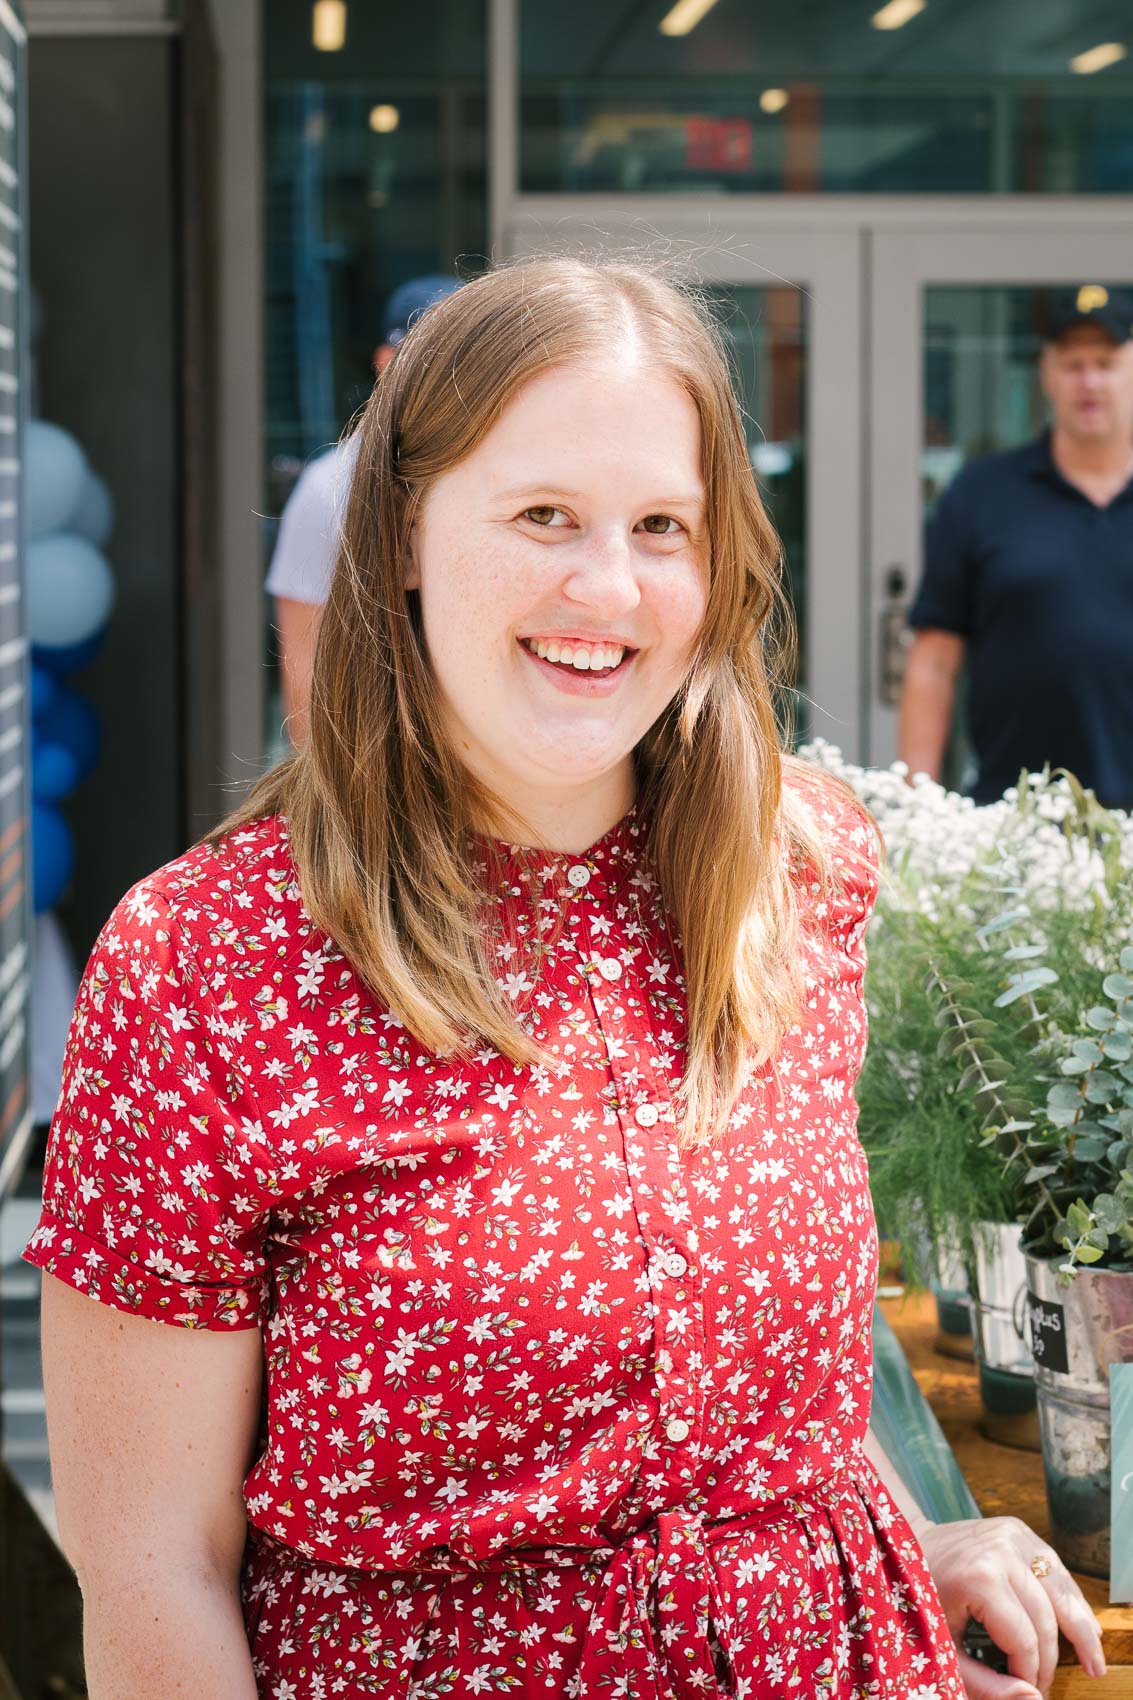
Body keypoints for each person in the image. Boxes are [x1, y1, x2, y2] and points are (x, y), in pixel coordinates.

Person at [27, 259, 1105, 1700]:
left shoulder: (798, 879)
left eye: (662, 525)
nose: (608, 588)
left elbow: (757, 1366)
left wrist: (897, 1547)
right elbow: (157, 1570)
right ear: (401, 534)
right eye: (544, 517)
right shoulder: (202, 968)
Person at [900, 285, 1133, 806]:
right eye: (1072, 364)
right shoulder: (983, 494)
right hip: (1013, 823)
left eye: (1105, 362)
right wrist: (918, 809)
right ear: (1047, 374)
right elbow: (934, 661)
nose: (1089, 381)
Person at [268, 272, 462, 745]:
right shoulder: (331, 486)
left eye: (455, 363)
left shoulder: (496, 478)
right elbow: (304, 672)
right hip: (377, 772)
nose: (439, 380)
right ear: (385, 361)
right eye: (423, 360)